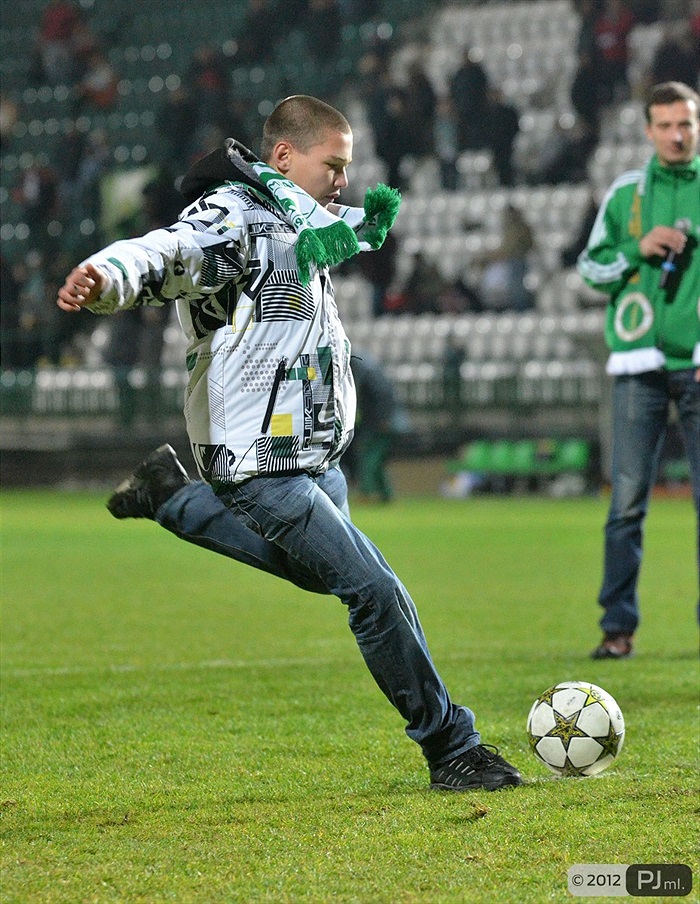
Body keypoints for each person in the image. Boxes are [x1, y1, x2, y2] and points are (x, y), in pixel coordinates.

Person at [56, 95, 522, 792]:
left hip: (312, 456)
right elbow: (166, 251)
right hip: (256, 461)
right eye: (333, 164)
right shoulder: (233, 216)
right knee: (373, 589)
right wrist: (106, 276)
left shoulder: (295, 218)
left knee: (318, 573)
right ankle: (452, 747)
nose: (344, 180)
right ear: (283, 156)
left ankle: (169, 496)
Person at [577, 81, 700, 659]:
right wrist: (636, 249)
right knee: (625, 502)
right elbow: (590, 268)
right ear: (649, 131)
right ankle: (617, 627)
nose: (677, 135)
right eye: (666, 125)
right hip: (638, 364)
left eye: (686, 123)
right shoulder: (627, 194)